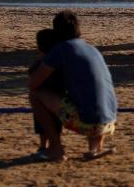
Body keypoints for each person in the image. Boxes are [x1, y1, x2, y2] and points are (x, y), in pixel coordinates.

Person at [29, 10, 118, 161]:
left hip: (88, 123)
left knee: (36, 95)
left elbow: (33, 83)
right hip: (109, 122)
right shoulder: (92, 49)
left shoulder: (61, 50)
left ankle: (56, 149)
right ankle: (94, 148)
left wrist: (44, 58)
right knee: (92, 98)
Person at [28, 28, 62, 157]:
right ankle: (48, 145)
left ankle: (44, 146)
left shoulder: (43, 62)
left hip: (45, 97)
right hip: (55, 98)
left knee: (42, 122)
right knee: (54, 123)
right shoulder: (55, 60)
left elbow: (32, 78)